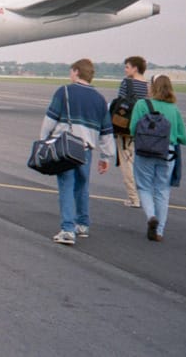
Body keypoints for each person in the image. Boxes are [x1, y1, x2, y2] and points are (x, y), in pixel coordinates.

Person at [41, 59, 114, 246]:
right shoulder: (100, 99)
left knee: (66, 185)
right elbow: (106, 132)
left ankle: (67, 229)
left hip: (65, 146)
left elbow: (50, 120)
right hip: (86, 149)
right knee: (82, 186)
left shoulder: (64, 91)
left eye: (71, 71)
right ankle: (82, 223)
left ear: (76, 72)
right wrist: (106, 156)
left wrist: (44, 142)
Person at [130, 75, 186, 242]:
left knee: (144, 187)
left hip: (144, 152)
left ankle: (150, 217)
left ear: (152, 87)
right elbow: (184, 138)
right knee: (162, 190)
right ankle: (160, 231)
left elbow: (132, 127)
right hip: (167, 153)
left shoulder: (142, 105)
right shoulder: (174, 109)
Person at [115, 56, 149, 208]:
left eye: (127, 67)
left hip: (126, 127)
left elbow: (119, 103)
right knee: (138, 162)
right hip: (142, 128)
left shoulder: (126, 83)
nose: (125, 69)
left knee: (126, 162)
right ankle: (144, 194)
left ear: (135, 68)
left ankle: (133, 197)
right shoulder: (148, 86)